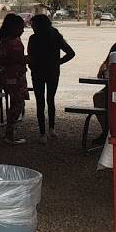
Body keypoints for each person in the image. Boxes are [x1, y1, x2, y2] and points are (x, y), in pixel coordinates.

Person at [27, 14, 76, 143]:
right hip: (53, 72)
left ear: (37, 25)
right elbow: (71, 53)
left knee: (40, 102)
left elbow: (30, 57)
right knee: (50, 100)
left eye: (33, 24)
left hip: (37, 73)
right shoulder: (55, 36)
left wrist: (32, 67)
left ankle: (42, 133)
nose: (31, 27)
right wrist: (57, 62)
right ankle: (51, 129)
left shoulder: (33, 38)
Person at [0, 13, 28, 145]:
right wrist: (21, 59)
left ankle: (10, 133)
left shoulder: (13, 40)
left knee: (17, 103)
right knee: (17, 104)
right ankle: (9, 134)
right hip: (12, 77)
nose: (23, 30)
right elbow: (1, 60)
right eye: (21, 27)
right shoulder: (8, 42)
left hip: (18, 76)